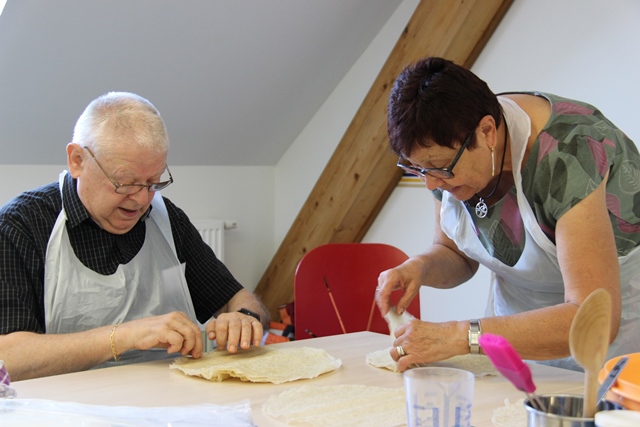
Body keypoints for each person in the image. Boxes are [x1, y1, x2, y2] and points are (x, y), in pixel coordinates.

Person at [376, 56, 640, 372]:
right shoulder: (442, 149)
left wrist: (460, 337)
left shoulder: (568, 152)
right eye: (417, 169)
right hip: (515, 332)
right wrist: (420, 268)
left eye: (439, 168)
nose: (432, 183)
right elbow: (456, 254)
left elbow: (592, 317)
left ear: (487, 132)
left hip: (612, 335)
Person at [0, 92, 270, 381]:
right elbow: (9, 357)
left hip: (168, 401)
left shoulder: (166, 219)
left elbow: (238, 298)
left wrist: (246, 319)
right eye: (125, 183)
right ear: (77, 160)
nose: (142, 201)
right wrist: (125, 336)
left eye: (153, 183)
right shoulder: (20, 226)